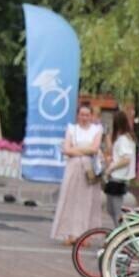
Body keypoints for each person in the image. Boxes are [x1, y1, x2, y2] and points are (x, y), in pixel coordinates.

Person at [50, 103, 105, 245]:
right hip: (73, 167)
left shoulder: (96, 130)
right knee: (70, 200)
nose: (84, 118)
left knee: (87, 201)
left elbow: (94, 148)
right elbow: (66, 149)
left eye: (87, 115)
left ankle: (85, 235)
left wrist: (76, 149)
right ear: (77, 115)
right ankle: (70, 234)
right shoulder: (72, 129)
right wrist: (83, 149)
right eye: (82, 115)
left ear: (91, 116)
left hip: (89, 169)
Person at [103, 110, 137, 225]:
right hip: (118, 177)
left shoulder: (123, 139)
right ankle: (118, 230)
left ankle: (120, 231)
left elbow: (126, 159)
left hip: (118, 177)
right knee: (112, 209)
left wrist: (111, 168)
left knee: (115, 210)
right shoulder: (125, 138)